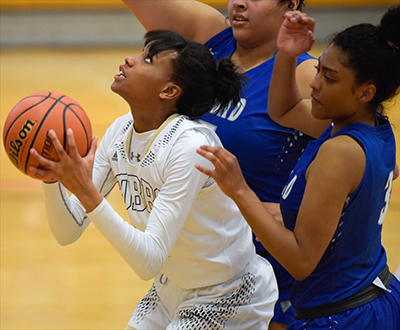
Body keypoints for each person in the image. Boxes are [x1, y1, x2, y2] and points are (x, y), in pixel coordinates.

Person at [29, 30, 278, 329]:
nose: (129, 60)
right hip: (169, 286)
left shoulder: (191, 148)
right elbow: (67, 231)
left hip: (227, 293)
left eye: (147, 59)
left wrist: (86, 191)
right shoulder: (120, 131)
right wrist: (52, 177)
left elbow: (148, 260)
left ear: (169, 91)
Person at [195, 5, 400, 330]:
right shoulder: (373, 126)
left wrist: (239, 190)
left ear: (366, 92)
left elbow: (301, 261)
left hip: (342, 316)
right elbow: (285, 109)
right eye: (318, 70)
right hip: (370, 293)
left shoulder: (339, 152)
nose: (315, 84)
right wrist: (287, 55)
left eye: (329, 78)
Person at [122, 1, 318, 328]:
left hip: (260, 275)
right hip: (194, 265)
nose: (239, 2)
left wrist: (297, 211)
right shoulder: (211, 36)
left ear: (291, 5)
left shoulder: (301, 73)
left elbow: (373, 155)